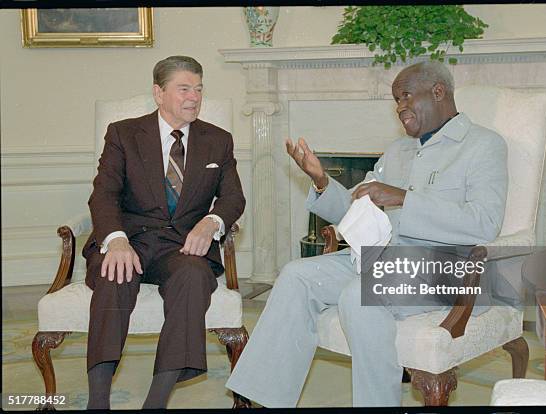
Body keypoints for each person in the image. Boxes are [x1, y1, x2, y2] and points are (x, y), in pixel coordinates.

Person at [225, 60, 508, 407]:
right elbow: (356, 209)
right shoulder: (399, 150)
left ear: (438, 92)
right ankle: (262, 399)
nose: (400, 107)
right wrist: (322, 181)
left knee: (357, 298)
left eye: (405, 96)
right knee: (297, 275)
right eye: (396, 101)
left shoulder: (483, 145)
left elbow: (485, 222)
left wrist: (403, 198)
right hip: (379, 258)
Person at [83, 55, 245, 409]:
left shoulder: (218, 140)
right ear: (158, 93)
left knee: (193, 277)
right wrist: (116, 240)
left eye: (199, 89)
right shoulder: (123, 133)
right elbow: (104, 194)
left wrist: (212, 222)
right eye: (184, 89)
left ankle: (156, 400)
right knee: (113, 274)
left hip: (182, 247)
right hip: (132, 239)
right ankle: (98, 400)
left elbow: (233, 198)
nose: (194, 97)